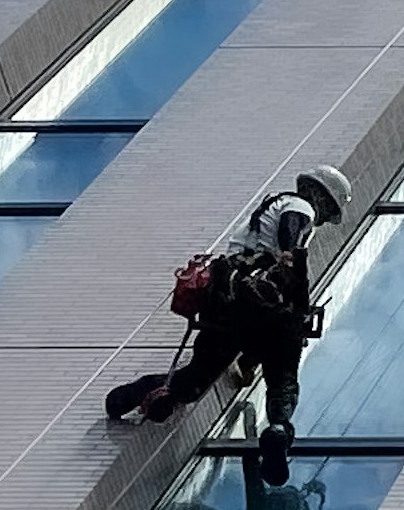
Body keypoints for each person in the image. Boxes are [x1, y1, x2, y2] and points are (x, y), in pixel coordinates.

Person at [104, 169, 349, 490]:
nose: (321, 219)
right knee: (283, 381)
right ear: (320, 196)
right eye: (328, 211)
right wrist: (299, 302)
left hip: (227, 303)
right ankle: (277, 429)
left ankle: (125, 396)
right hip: (267, 306)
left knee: (195, 380)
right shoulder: (299, 208)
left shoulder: (264, 212)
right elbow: (292, 243)